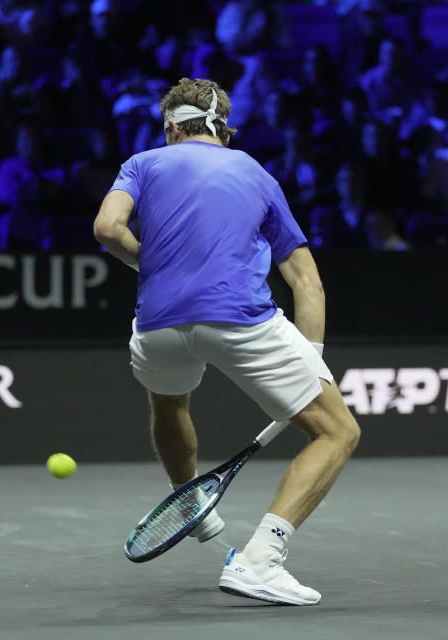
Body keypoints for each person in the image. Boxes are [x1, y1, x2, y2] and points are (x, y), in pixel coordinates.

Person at [93, 78, 360, 606]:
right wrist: (313, 364)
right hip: (239, 318)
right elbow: (306, 279)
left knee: (169, 402)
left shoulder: (142, 163)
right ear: (222, 128)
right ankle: (261, 561)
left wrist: (150, 262)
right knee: (337, 431)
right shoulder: (256, 172)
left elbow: (106, 228)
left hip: (157, 325)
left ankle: (189, 500)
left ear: (171, 126)